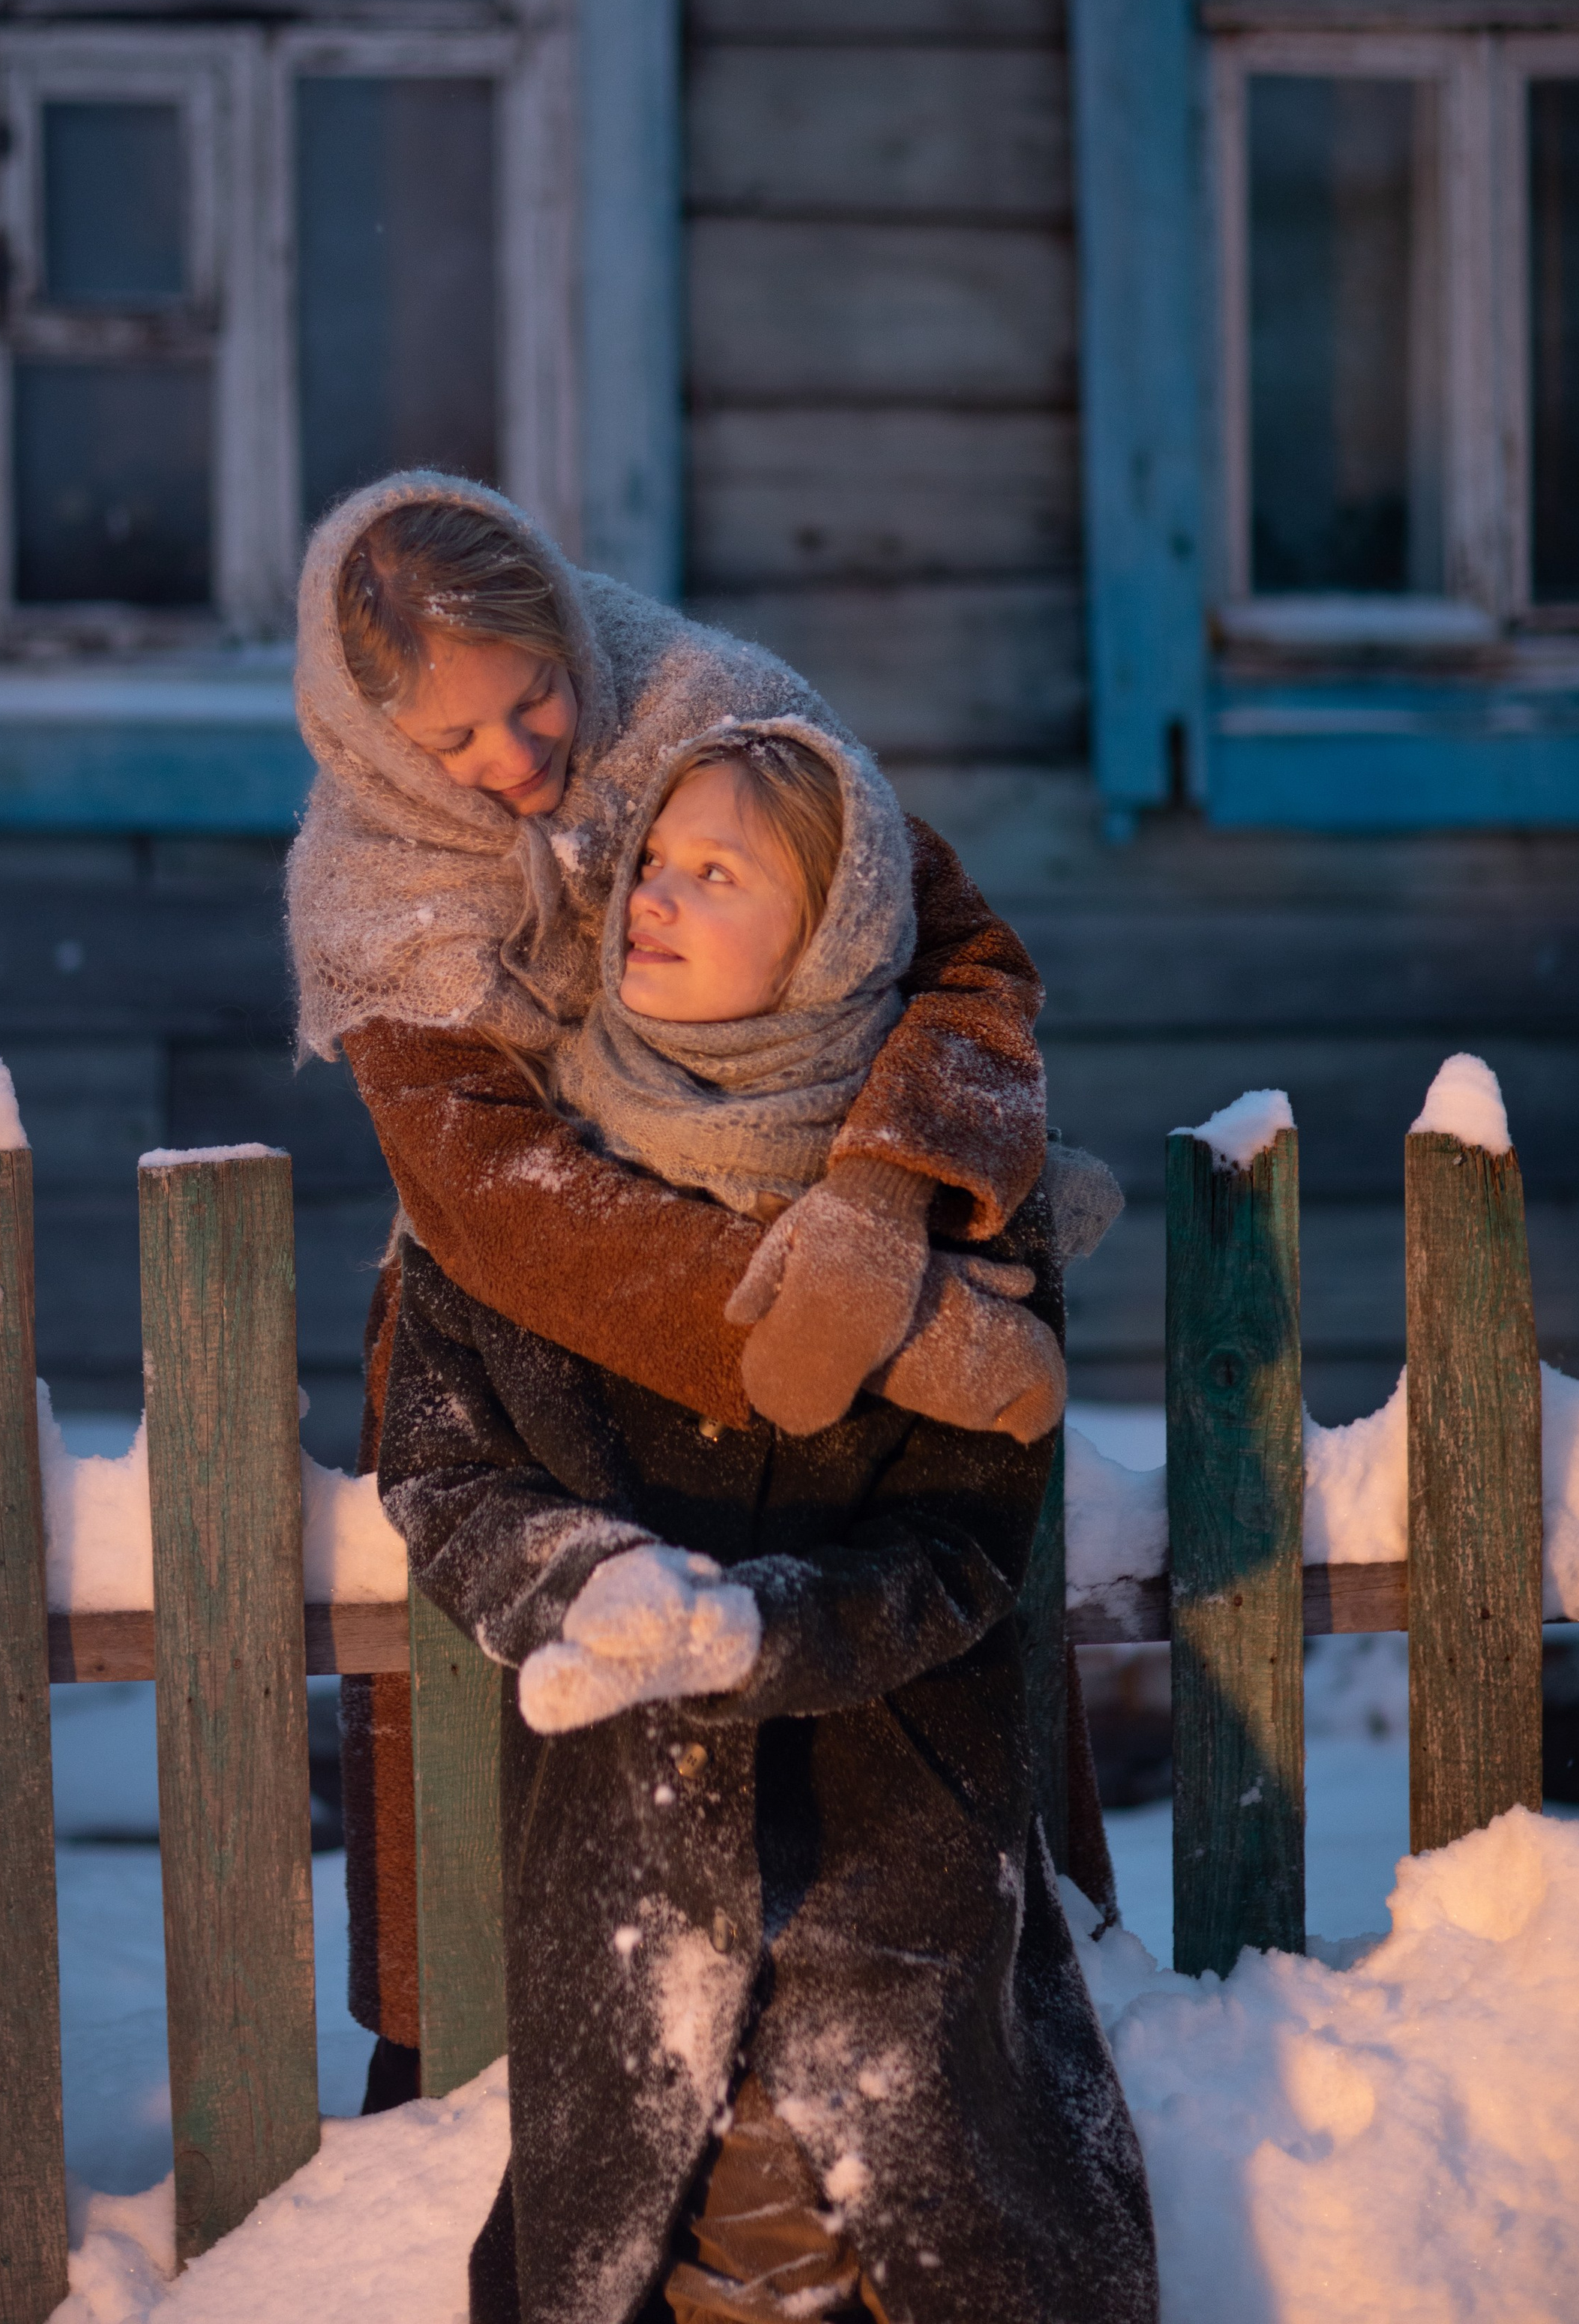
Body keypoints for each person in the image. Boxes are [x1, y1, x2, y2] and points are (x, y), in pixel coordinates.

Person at [286, 470, 1119, 2100]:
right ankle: (473, 2101)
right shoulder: (375, 889)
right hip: (539, 1356)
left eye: (534, 700)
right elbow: (501, 1203)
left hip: (838, 1334)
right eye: (458, 747)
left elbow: (961, 955)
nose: (520, 762)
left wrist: (882, 1211)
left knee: (896, 1805)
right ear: (382, 749)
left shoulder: (710, 713)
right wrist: (867, 1335)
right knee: (536, 1845)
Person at [376, 717, 1157, 2324]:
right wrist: (583, 1583)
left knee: (906, 2231)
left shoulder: (948, 1221)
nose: (649, 899)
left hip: (893, 1846)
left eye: (711, 874)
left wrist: (761, 1628)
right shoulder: (516, 1195)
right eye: (647, 865)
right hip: (622, 1855)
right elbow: (442, 1471)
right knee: (655, 2242)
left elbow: (958, 1551)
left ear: (830, 937)